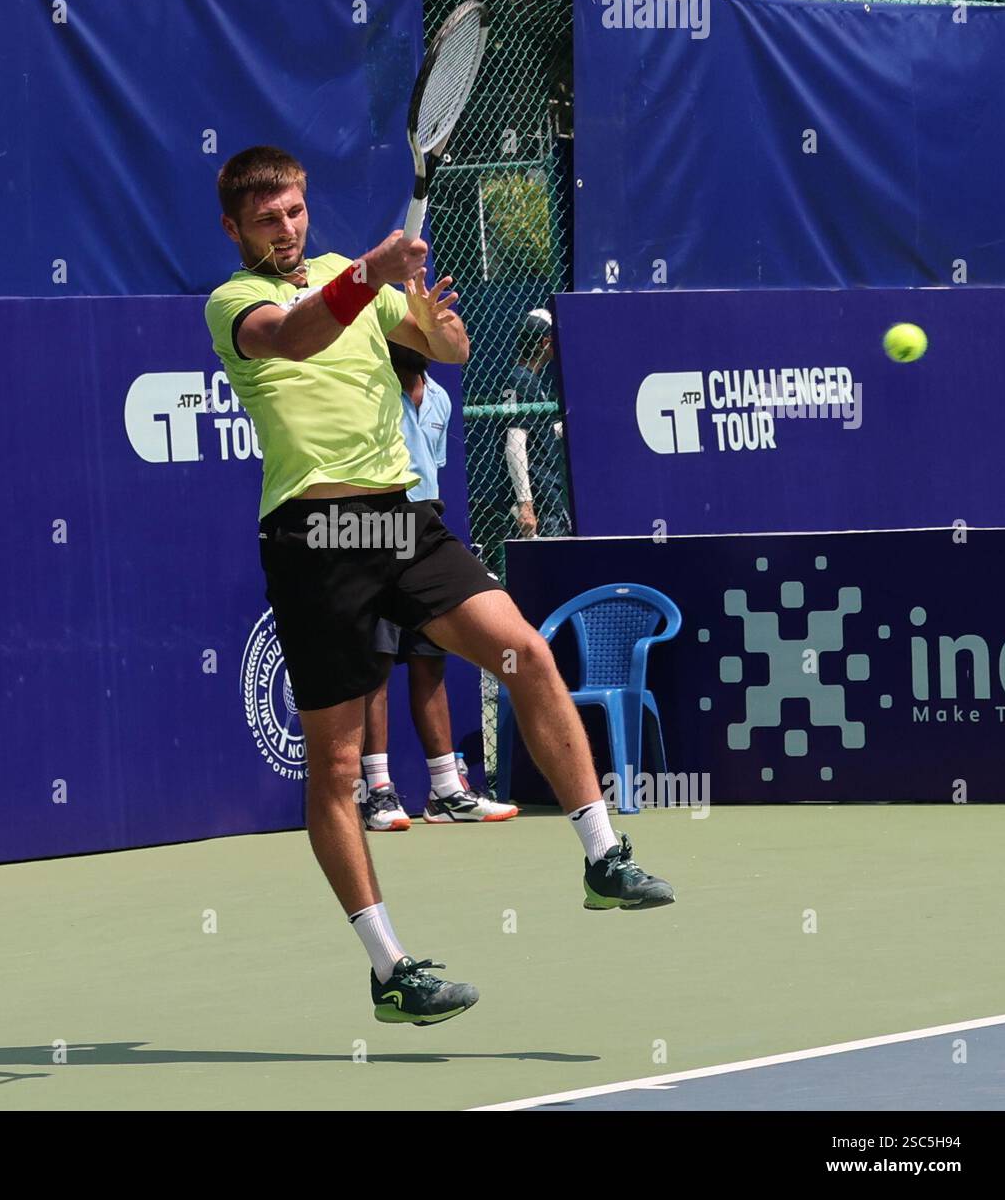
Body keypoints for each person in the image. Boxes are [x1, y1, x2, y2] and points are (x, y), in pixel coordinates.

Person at [204, 146, 674, 1028]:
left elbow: (447, 350)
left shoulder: (351, 275)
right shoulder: (238, 303)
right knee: (339, 768)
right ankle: (390, 969)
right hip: (315, 537)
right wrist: (369, 282)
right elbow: (298, 336)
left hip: (400, 519)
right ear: (234, 228)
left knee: (527, 653)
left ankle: (603, 856)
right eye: (267, 219)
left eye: (296, 211)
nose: (287, 228)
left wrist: (422, 318)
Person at [360, 342, 518, 830]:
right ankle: (378, 793)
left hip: (426, 529)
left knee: (431, 662)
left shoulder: (442, 400)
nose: (419, 346)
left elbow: (432, 475)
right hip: (378, 529)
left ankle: (446, 791)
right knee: (376, 668)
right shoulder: (372, 393)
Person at [501, 307, 573, 539]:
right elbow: (515, 442)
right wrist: (526, 505)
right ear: (544, 343)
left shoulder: (526, 379)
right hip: (540, 500)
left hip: (547, 495)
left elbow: (541, 432)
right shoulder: (522, 380)